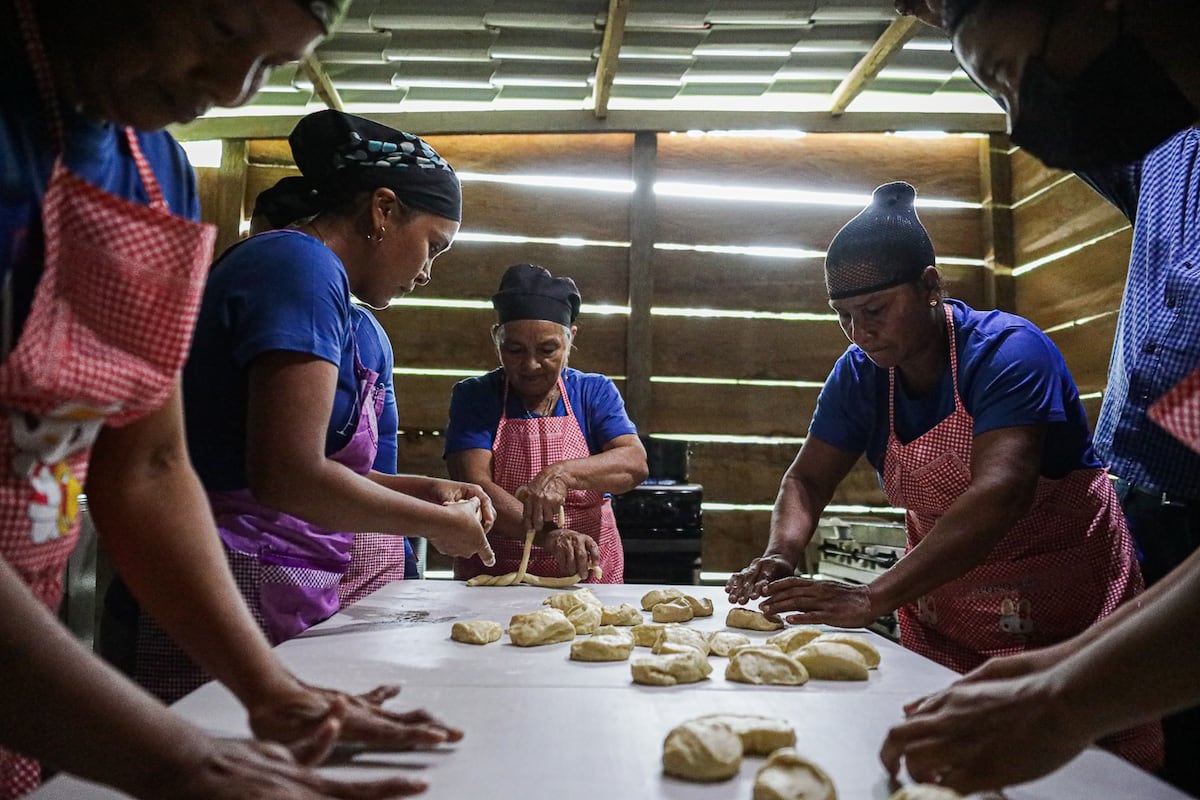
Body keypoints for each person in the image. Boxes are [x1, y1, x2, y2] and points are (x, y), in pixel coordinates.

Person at [0, 2, 463, 797]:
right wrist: (180, 756)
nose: (233, 91)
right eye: (220, 32)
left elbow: (148, 464)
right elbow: (284, 473)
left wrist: (272, 692)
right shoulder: (295, 267)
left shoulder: (154, 172)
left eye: (270, 66)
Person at [725, 182, 1160, 769]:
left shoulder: (1008, 352)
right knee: (947, 764)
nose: (860, 333)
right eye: (844, 317)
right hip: (944, 612)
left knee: (1084, 770)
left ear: (930, 286)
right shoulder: (860, 375)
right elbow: (806, 481)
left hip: (1061, 609)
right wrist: (781, 553)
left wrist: (875, 596)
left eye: (875, 311)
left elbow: (1000, 492)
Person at [879, 1, 1200, 793]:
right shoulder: (1168, 153)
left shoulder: (1005, 351)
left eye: (1016, 77)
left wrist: (1062, 696)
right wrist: (1057, 670)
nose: (1024, 124)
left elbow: (1000, 490)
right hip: (1167, 521)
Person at [125, 110, 497, 702]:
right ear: (382, 210)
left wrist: (423, 492)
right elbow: (285, 476)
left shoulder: (318, 281)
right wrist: (436, 527)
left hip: (274, 568)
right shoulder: (296, 266)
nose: (427, 272)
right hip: (236, 567)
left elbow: (304, 460)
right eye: (432, 245)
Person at [250, 176, 423, 599]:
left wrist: (410, 538)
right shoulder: (254, 307)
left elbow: (377, 466)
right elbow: (288, 472)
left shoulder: (368, 337)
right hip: (269, 554)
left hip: (362, 554)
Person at [445, 264, 647, 583]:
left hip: (588, 576)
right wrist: (548, 535)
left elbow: (634, 463)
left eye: (548, 349)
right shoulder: (476, 396)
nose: (531, 365)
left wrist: (562, 474)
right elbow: (475, 486)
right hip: (495, 577)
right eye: (514, 350)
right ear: (496, 339)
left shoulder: (593, 392)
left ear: (570, 340)